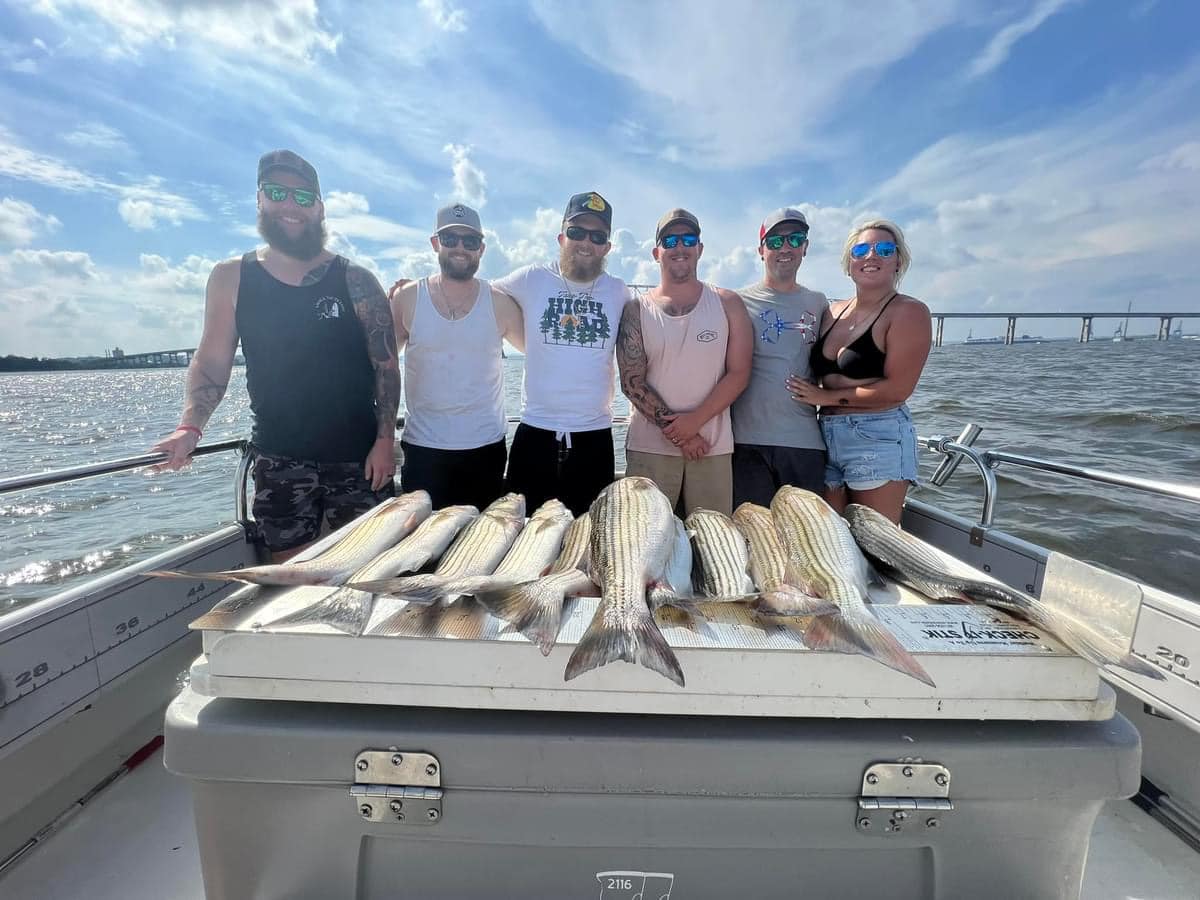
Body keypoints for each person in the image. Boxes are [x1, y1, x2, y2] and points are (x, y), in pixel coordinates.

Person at [151, 150, 400, 560]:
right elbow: (213, 359)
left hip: (358, 458)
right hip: (280, 459)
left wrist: (385, 440)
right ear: (260, 200)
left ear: (319, 209)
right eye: (278, 193)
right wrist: (189, 428)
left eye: (304, 198)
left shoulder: (356, 279)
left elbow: (386, 367)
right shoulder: (231, 277)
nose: (291, 206)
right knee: (290, 577)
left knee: (367, 571)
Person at [491, 192, 628, 516]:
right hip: (534, 434)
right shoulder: (531, 278)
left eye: (597, 237)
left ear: (608, 247)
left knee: (590, 541)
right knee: (523, 540)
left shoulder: (619, 291)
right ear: (561, 237)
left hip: (593, 439)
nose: (586, 243)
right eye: (577, 232)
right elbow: (479, 295)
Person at [788, 219, 931, 523]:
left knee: (875, 545)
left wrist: (824, 398)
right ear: (849, 262)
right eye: (861, 249)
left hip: (877, 436)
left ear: (898, 262)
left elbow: (897, 390)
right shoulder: (830, 312)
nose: (871, 256)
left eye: (884, 249)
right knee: (832, 546)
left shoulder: (908, 312)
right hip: (824, 437)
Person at [617, 209, 753, 516]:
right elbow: (631, 382)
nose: (680, 247)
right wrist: (683, 433)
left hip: (711, 448)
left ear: (700, 249)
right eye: (670, 240)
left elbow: (740, 372)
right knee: (645, 544)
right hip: (648, 447)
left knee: (713, 545)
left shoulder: (728, 303)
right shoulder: (635, 310)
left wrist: (695, 422)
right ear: (656, 252)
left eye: (688, 239)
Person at [389, 204, 524, 510]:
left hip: (485, 449)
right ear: (435, 243)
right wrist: (381, 435)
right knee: (423, 548)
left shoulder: (501, 303)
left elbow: (541, 352)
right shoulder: (408, 298)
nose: (460, 248)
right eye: (450, 239)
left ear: (482, 249)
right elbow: (381, 366)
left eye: (470, 241)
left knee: (480, 547)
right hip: (423, 449)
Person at [730, 208, 829, 506]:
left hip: (805, 443)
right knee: (754, 542)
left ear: (805, 247)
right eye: (775, 241)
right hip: (745, 442)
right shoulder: (736, 301)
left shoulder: (820, 303)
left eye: (795, 239)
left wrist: (831, 396)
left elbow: (839, 363)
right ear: (761, 250)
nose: (785, 247)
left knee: (804, 544)